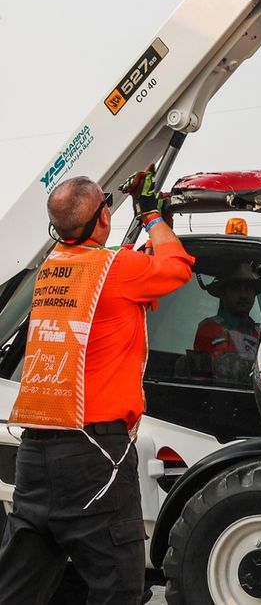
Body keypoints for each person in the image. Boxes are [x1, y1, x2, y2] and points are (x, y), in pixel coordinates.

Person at [0, 170, 193, 603]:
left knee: (19, 587)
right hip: (93, 455)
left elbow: (120, 281)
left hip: (36, 454)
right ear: (103, 217)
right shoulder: (118, 270)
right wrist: (150, 216)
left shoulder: (54, 267)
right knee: (118, 587)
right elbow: (175, 267)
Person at [192, 262, 261, 382]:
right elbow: (210, 377)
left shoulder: (260, 333)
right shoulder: (209, 328)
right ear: (223, 293)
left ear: (254, 294)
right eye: (236, 289)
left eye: (248, 289)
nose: (243, 295)